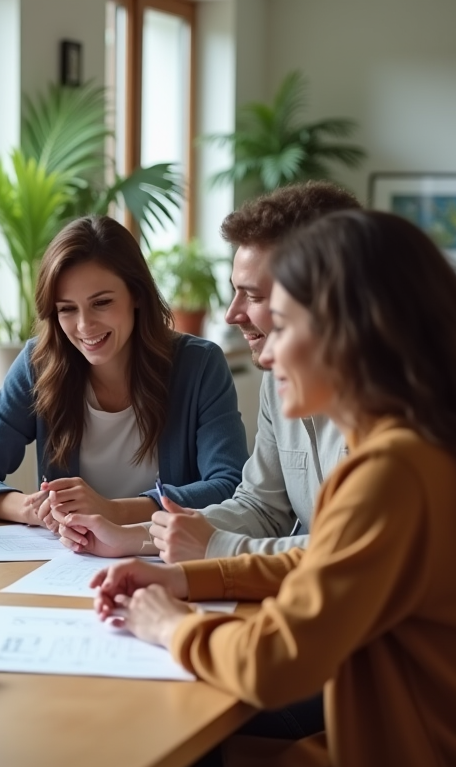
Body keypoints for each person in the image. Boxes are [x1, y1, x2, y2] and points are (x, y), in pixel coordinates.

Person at [92, 209, 456, 767]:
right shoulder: (432, 439)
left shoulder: (394, 470)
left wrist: (170, 626)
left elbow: (276, 662)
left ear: (352, 334)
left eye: (283, 326)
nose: (266, 356)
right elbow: (326, 563)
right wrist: (186, 579)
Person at [53, 183, 359, 560]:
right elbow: (260, 508)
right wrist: (131, 537)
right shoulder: (275, 378)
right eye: (235, 291)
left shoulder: (398, 404)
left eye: (255, 296)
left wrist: (212, 547)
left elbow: (352, 548)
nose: (232, 314)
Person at [0, 215, 247, 527]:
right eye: (67, 309)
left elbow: (229, 485)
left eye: (101, 303)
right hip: (70, 566)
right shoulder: (39, 363)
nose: (84, 326)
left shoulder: (199, 365)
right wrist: (29, 508)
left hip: (166, 561)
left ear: (137, 295)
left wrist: (115, 512)